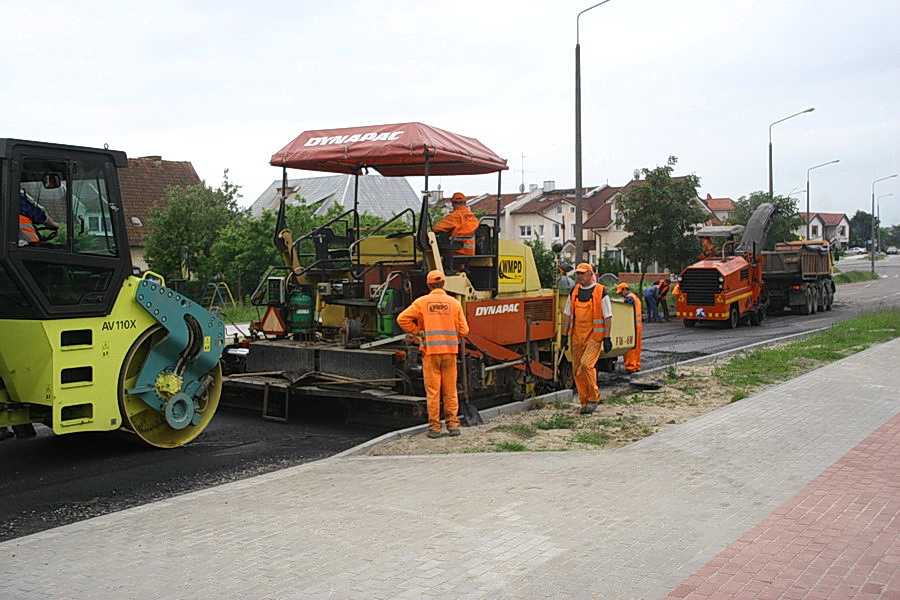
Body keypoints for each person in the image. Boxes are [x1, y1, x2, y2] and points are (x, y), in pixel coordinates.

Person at [397, 270, 470, 438]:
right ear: (444, 284)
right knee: (450, 390)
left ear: (429, 285)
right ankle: (453, 426)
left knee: (433, 391)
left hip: (430, 353)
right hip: (450, 353)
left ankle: (435, 428)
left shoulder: (422, 302)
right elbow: (465, 330)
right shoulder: (454, 303)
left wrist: (419, 333)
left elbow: (402, 319)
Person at [562, 263, 613, 414]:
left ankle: (594, 397)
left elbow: (608, 316)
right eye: (578, 273)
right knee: (577, 371)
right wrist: (564, 335)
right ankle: (584, 402)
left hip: (594, 337)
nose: (579, 276)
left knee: (586, 365)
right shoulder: (575, 291)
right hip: (577, 337)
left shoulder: (601, 291)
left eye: (582, 273)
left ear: (591, 274)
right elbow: (567, 315)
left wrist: (607, 338)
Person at [433, 192, 478, 256]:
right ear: (465, 203)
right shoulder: (472, 216)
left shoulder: (455, 216)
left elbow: (437, 228)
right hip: (470, 252)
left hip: (457, 250)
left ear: (452, 204)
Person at [616, 282, 642, 373]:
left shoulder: (629, 298)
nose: (620, 294)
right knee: (636, 347)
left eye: (620, 292)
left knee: (629, 348)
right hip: (637, 325)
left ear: (625, 289)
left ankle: (630, 367)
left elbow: (626, 311)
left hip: (631, 326)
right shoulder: (634, 297)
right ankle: (636, 365)